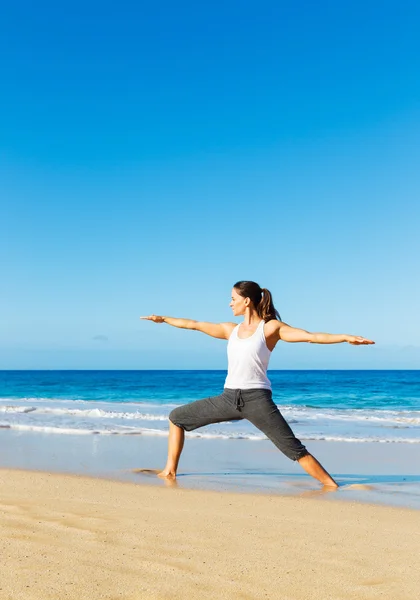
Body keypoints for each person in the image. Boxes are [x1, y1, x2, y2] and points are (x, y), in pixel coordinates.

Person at [140, 281, 374, 488]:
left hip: (257, 400)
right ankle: (169, 471)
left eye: (233, 299)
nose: (230, 304)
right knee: (176, 417)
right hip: (228, 398)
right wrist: (164, 319)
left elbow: (310, 336)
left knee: (293, 449)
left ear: (247, 301)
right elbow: (194, 324)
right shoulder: (229, 330)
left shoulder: (270, 329)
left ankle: (331, 485)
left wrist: (344, 337)